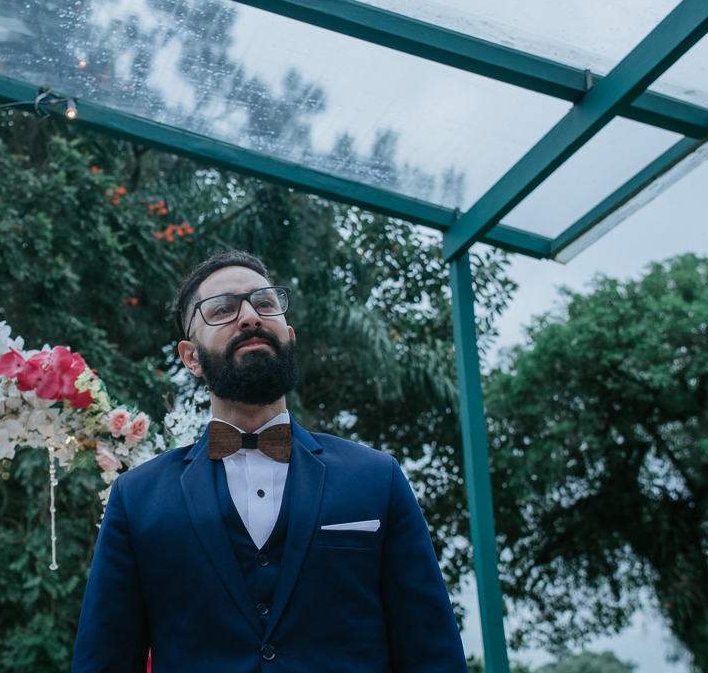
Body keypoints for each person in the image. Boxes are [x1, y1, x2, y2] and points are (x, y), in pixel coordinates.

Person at [72, 250, 468, 672]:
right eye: (223, 309)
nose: (249, 317)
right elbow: (105, 660)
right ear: (191, 358)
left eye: (264, 303)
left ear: (289, 334)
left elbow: (431, 651)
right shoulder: (136, 498)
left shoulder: (377, 477)